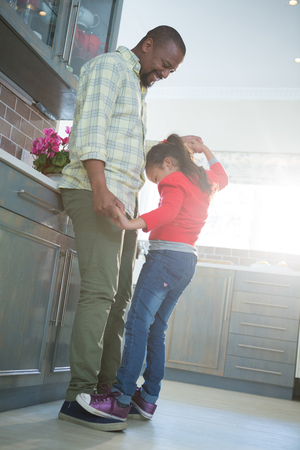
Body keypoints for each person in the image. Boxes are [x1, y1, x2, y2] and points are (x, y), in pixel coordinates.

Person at [58, 26, 189, 432]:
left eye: (172, 70)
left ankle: (108, 395)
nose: (165, 73)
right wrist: (99, 187)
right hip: (94, 191)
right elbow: (91, 130)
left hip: (123, 203)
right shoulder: (109, 67)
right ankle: (77, 396)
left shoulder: (138, 90)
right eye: (165, 64)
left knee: (121, 300)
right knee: (100, 292)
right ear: (147, 45)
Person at [75, 134, 228, 423]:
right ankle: (147, 399)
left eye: (156, 177)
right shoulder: (205, 179)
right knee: (156, 329)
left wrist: (130, 222)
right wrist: (205, 149)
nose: (159, 184)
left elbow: (168, 211)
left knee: (136, 325)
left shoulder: (175, 180)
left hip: (165, 259)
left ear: (168, 163)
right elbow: (223, 175)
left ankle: (119, 400)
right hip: (187, 261)